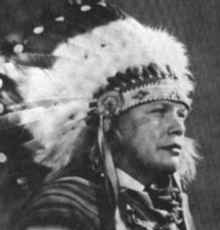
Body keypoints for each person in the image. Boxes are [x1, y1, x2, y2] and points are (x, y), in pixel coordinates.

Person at [0, 0, 199, 229]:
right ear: (111, 121)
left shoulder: (170, 210)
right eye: (158, 111)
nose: (178, 127)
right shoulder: (65, 204)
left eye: (181, 114)